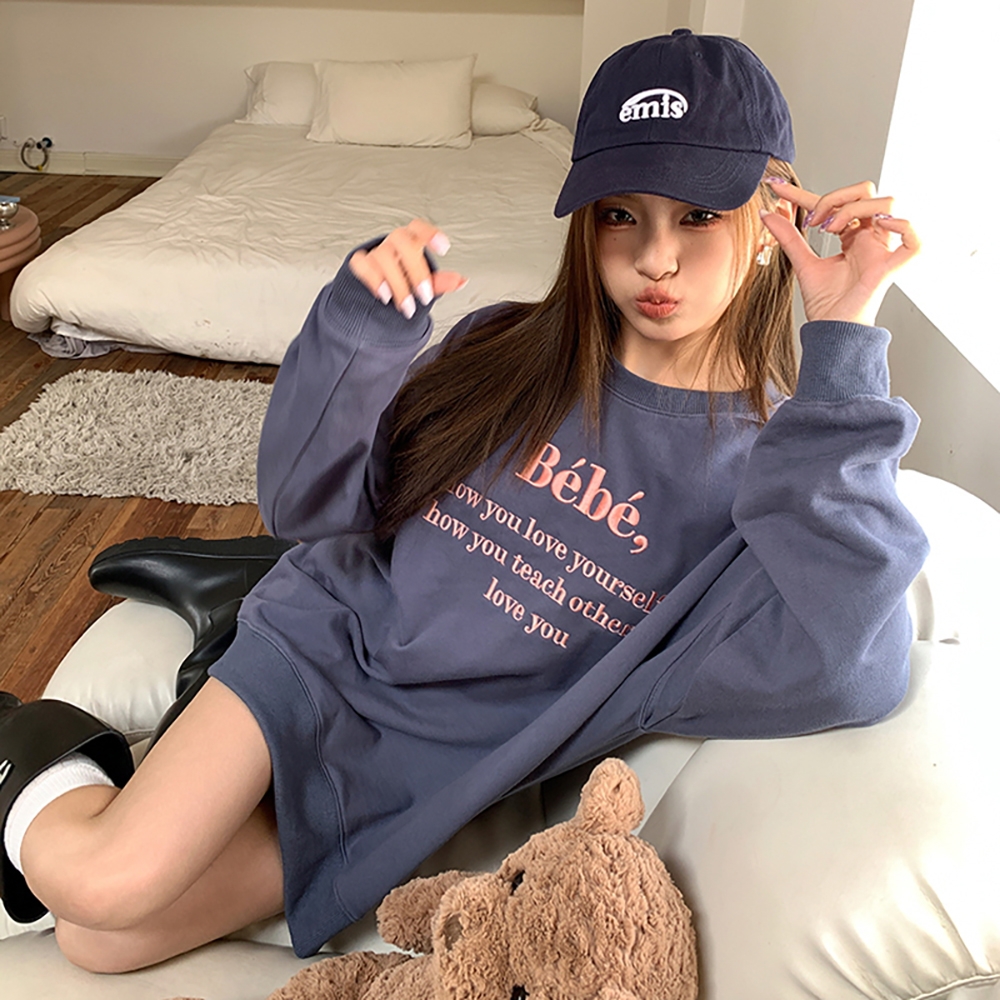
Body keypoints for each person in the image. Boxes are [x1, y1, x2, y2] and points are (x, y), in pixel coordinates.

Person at [0, 29, 927, 973]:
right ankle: (11, 728)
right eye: (621, 214)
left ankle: (69, 752)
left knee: (98, 942)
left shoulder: (771, 468)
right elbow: (306, 506)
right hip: (324, 650)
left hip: (415, 782)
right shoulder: (502, 348)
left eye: (698, 215)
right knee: (102, 886)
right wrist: (357, 334)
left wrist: (844, 338)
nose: (656, 257)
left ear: (772, 218)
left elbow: (854, 669)